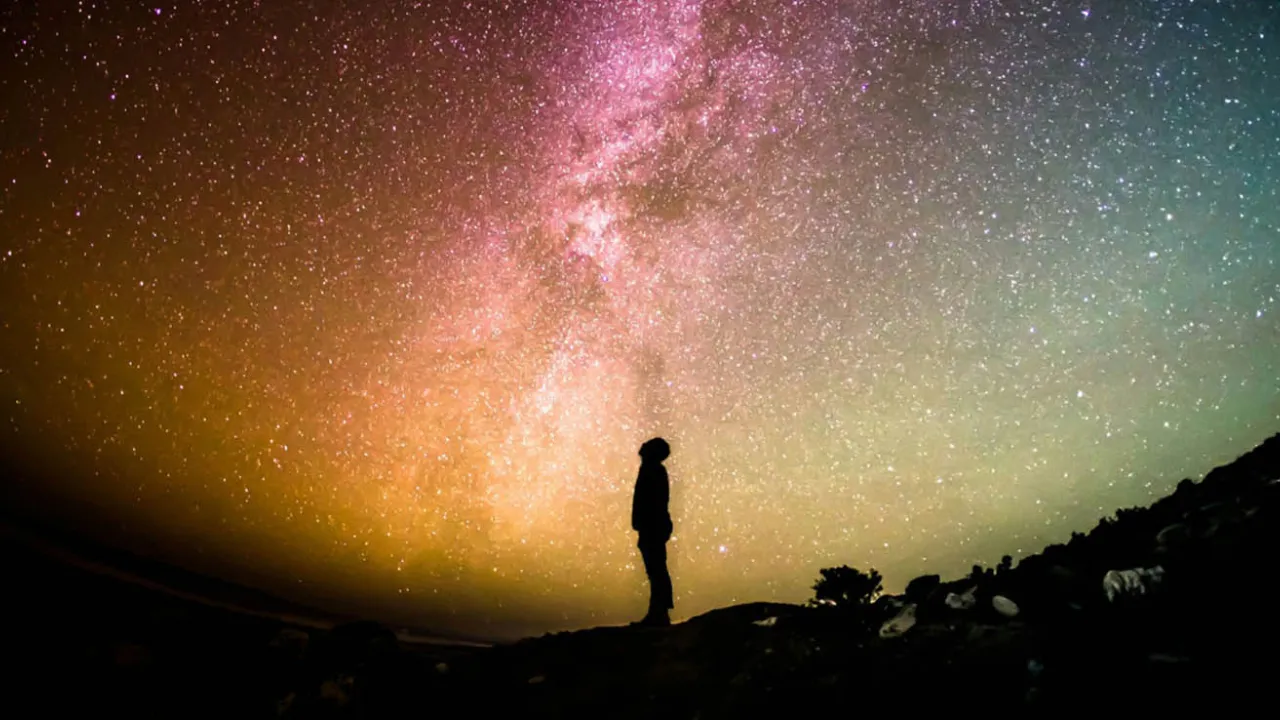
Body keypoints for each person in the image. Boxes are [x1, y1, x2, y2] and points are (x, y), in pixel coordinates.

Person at [631, 437, 674, 626]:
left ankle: (659, 614)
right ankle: (658, 612)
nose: (642, 445)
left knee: (656, 569)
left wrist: (646, 523)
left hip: (653, 525)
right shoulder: (652, 470)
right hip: (652, 525)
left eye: (647, 445)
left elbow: (654, 501)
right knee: (656, 569)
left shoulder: (653, 470)